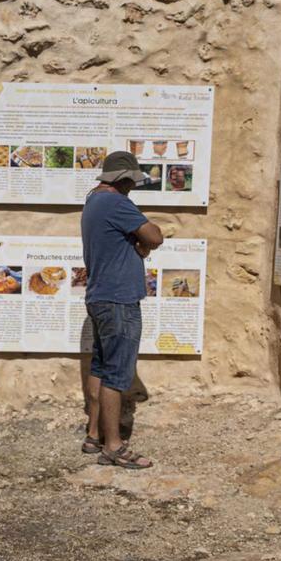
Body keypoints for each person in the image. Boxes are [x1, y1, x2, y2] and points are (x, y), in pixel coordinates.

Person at [80, 151, 164, 469]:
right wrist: (144, 242)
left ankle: (94, 434)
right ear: (123, 178)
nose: (133, 186)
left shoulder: (93, 202)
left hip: (101, 297)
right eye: (132, 180)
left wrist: (137, 245)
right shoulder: (117, 203)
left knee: (101, 367)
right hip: (119, 300)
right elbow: (154, 236)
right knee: (117, 373)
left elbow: (135, 243)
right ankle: (113, 446)